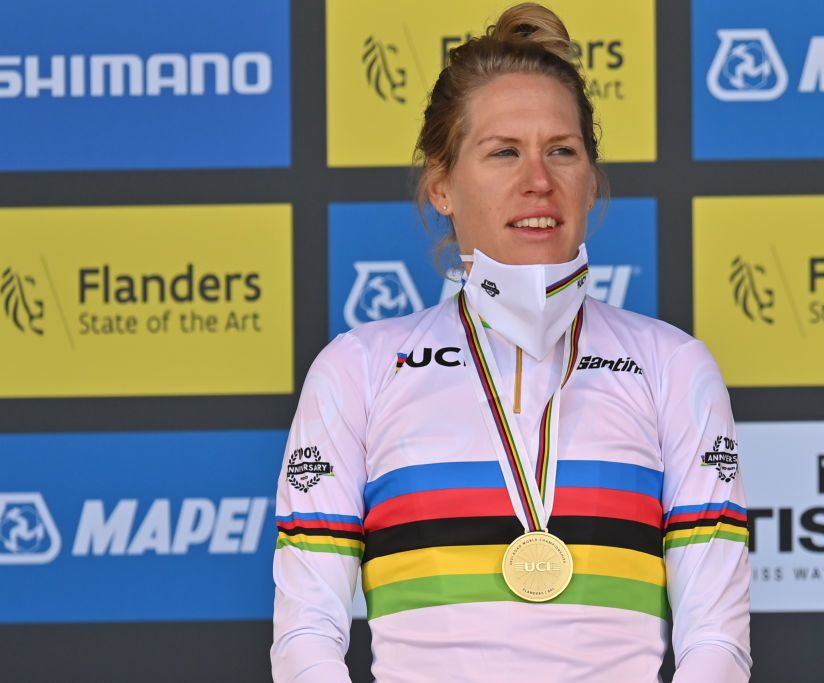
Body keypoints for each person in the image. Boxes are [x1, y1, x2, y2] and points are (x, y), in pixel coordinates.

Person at [270, 4, 751, 681]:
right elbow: (306, 637)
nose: (538, 180)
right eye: (503, 152)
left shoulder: (669, 365)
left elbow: (717, 643)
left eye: (562, 150)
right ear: (442, 184)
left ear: (590, 178)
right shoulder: (360, 369)